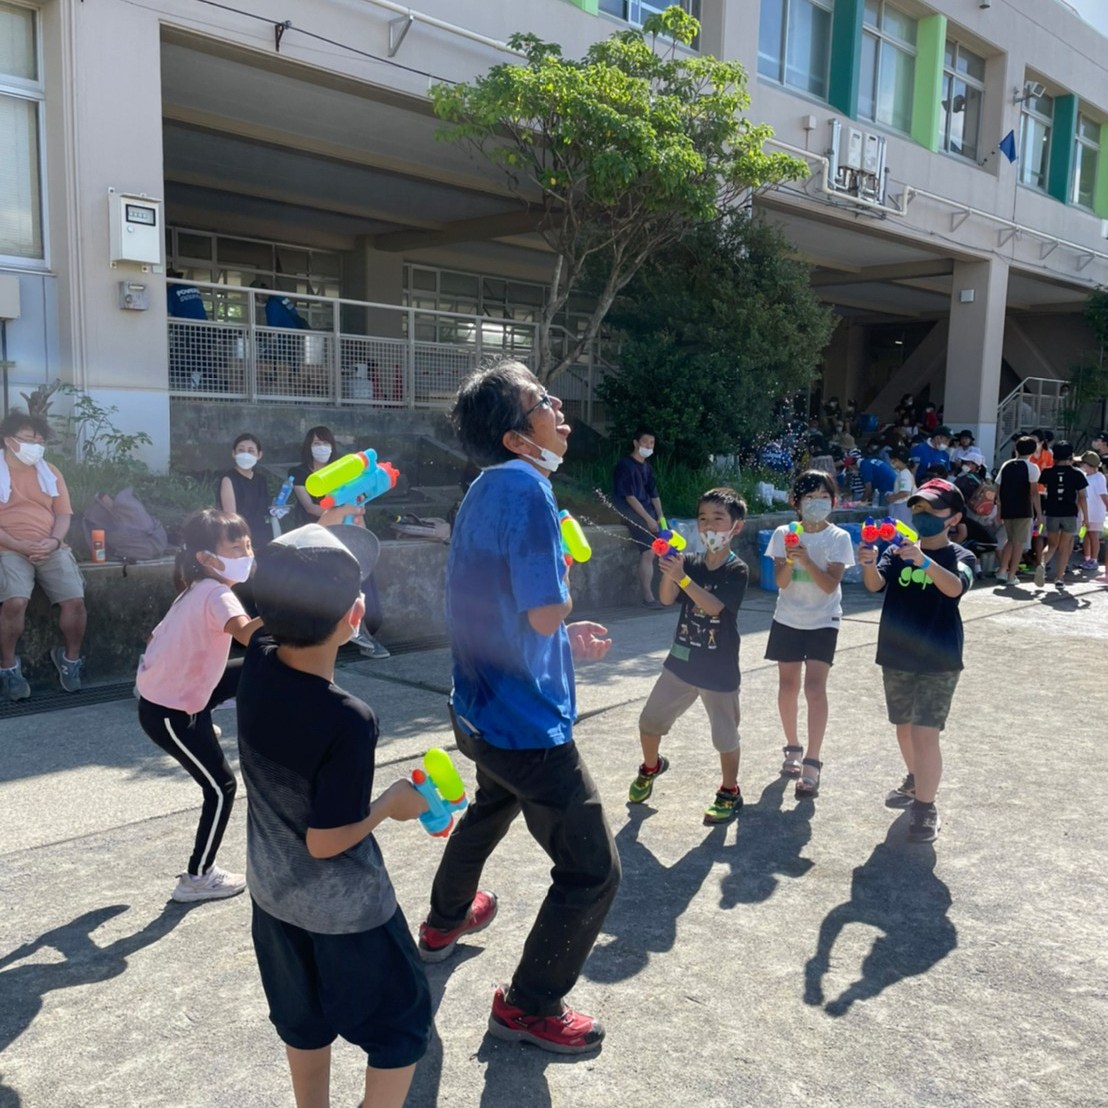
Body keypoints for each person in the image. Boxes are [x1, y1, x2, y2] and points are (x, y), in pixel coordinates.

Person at [417, 359, 619, 1056]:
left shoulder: (485, 487)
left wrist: (561, 637)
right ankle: (529, 1006)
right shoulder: (530, 493)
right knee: (592, 871)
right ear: (515, 437)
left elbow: (505, 609)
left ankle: (445, 921)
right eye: (542, 401)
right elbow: (541, 611)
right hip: (527, 724)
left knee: (490, 808)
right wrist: (562, 605)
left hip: (477, 708)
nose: (558, 408)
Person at [238, 523, 431, 1107]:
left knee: (302, 1021)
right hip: (346, 914)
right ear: (356, 616)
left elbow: (252, 625)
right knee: (401, 1026)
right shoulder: (348, 719)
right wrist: (391, 806)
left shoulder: (258, 661)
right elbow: (324, 842)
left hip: (273, 898)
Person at [135, 509, 261, 902]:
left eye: (248, 545)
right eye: (236, 548)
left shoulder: (197, 586)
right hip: (169, 715)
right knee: (222, 788)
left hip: (176, 698)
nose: (246, 554)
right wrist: (287, 608)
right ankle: (197, 877)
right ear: (207, 557)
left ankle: (205, 714)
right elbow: (247, 635)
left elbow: (158, 640)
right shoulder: (217, 594)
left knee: (255, 667)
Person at [858, 479, 976, 844]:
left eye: (932, 508)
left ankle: (926, 807)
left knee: (926, 733)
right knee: (904, 727)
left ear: (953, 518)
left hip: (939, 659)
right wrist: (868, 563)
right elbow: (875, 585)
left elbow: (955, 587)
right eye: (918, 507)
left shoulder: (962, 556)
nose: (923, 514)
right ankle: (915, 779)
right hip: (896, 654)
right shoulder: (897, 552)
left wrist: (924, 561)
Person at [628, 487, 749, 823]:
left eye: (718, 519)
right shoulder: (691, 563)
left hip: (719, 668)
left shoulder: (737, 570)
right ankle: (650, 766)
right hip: (680, 662)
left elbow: (714, 607)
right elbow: (667, 599)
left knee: (725, 735)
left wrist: (681, 578)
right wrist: (672, 572)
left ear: (736, 527)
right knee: (650, 721)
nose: (709, 526)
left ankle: (729, 791)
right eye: (703, 519)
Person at [763, 471, 855, 798]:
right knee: (787, 686)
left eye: (823, 497)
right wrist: (790, 560)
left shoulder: (839, 537)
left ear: (834, 501)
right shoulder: (783, 534)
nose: (817, 503)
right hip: (787, 618)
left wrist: (807, 559)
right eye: (810, 497)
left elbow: (829, 585)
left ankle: (813, 761)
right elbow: (781, 582)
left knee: (815, 688)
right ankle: (792, 747)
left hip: (824, 620)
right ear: (796, 502)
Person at [0, 410, 87, 701]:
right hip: (7, 547)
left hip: (50, 545)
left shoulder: (50, 471)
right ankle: (8, 667)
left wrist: (53, 541)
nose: (35, 446)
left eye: (39, 441)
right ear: (9, 440)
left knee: (75, 601)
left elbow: (63, 515)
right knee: (15, 602)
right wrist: (18, 544)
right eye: (29, 439)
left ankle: (71, 659)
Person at [290, 426, 389, 659]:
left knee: (359, 578)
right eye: (316, 443)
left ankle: (362, 631)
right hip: (316, 533)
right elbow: (310, 507)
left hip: (345, 531)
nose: (321, 448)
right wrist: (338, 510)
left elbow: (357, 504)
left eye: (325, 443)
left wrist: (356, 520)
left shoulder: (346, 472)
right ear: (308, 446)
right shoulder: (300, 474)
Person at [612, 430, 666, 606]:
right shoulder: (625, 465)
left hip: (647, 511)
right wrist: (648, 519)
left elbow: (654, 494)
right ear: (636, 443)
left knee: (669, 548)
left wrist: (660, 517)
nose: (648, 446)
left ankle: (672, 592)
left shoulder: (647, 467)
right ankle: (648, 597)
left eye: (652, 443)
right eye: (645, 442)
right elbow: (629, 497)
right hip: (630, 511)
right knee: (649, 551)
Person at [1034, 441, 1089, 590]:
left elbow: (1044, 489)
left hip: (1052, 513)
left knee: (1052, 545)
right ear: (1070, 456)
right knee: (1064, 548)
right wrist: (1086, 518)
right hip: (1069, 513)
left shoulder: (1047, 472)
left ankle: (1042, 565)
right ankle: (1059, 578)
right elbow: (1082, 497)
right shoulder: (1077, 474)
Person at [995, 436, 1043, 586]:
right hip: (1023, 508)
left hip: (1007, 508)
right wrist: (1039, 513)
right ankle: (1011, 575)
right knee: (1019, 543)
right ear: (1033, 451)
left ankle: (1002, 570)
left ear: (1016, 449)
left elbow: (998, 488)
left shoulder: (1006, 465)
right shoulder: (1032, 468)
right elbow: (1034, 493)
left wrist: (999, 509)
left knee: (1010, 540)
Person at [217, 433, 272, 548]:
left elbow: (264, 508)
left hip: (263, 535)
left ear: (259, 455)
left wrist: (275, 509)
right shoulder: (228, 479)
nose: (246, 454)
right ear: (234, 453)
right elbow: (230, 517)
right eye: (241, 450)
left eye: (251, 451)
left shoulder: (261, 479)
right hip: (240, 538)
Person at [166, 268, 212, 390]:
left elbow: (168, 313)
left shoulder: (170, 291)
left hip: (187, 327)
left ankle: (189, 383)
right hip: (204, 326)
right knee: (202, 355)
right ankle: (200, 381)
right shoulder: (192, 286)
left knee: (187, 354)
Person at [1076, 451, 1108, 570]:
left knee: (1093, 536)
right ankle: (1087, 558)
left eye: (1083, 463)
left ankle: (1094, 560)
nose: (1081, 465)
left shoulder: (1099, 477)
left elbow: (1104, 495)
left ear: (1088, 464)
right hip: (1085, 513)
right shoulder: (1085, 476)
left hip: (1095, 513)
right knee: (1086, 536)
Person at [859, 442, 896, 507]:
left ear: (852, 466)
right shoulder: (869, 462)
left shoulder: (864, 466)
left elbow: (868, 490)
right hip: (892, 481)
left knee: (883, 509)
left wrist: (859, 503)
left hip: (887, 486)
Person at [886, 446, 916, 525]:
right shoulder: (905, 472)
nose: (891, 461)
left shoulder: (904, 474)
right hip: (905, 506)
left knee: (901, 529)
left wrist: (892, 498)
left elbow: (905, 492)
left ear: (897, 460)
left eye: (892, 459)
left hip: (903, 507)